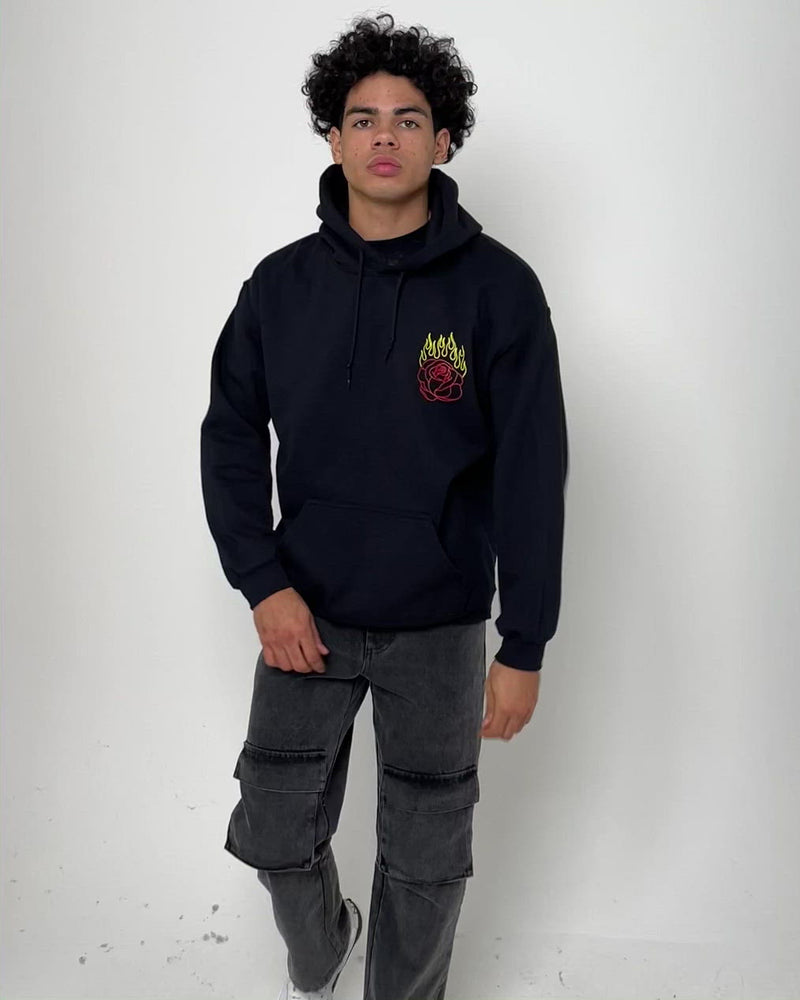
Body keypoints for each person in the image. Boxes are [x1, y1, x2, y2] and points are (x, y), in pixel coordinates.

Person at [199, 12, 568, 1000]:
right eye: (362, 119)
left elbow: (533, 475)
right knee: (274, 828)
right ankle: (323, 947)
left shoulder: (499, 292)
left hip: (439, 626)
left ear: (443, 141)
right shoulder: (278, 288)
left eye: (409, 119)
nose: (384, 137)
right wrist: (263, 585)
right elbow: (229, 437)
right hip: (304, 615)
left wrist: (524, 643)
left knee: (426, 858)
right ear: (332, 138)